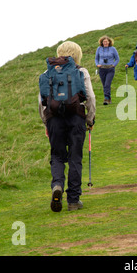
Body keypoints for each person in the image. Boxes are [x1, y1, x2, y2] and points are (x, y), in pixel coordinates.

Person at [38, 41, 96, 212]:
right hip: (76, 117)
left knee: (57, 156)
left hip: (54, 119)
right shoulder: (81, 71)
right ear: (77, 54)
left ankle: (57, 185)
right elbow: (90, 97)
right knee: (75, 157)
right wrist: (90, 119)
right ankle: (73, 200)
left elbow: (42, 102)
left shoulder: (47, 72)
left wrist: (46, 123)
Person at [95, 35, 120, 105]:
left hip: (110, 69)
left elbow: (117, 59)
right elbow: (96, 58)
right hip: (102, 69)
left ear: (109, 42)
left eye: (106, 41)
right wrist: (97, 64)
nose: (105, 43)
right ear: (102, 42)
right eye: (104, 41)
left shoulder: (113, 49)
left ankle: (106, 99)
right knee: (104, 85)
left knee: (107, 84)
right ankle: (109, 98)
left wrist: (114, 65)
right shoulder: (99, 49)